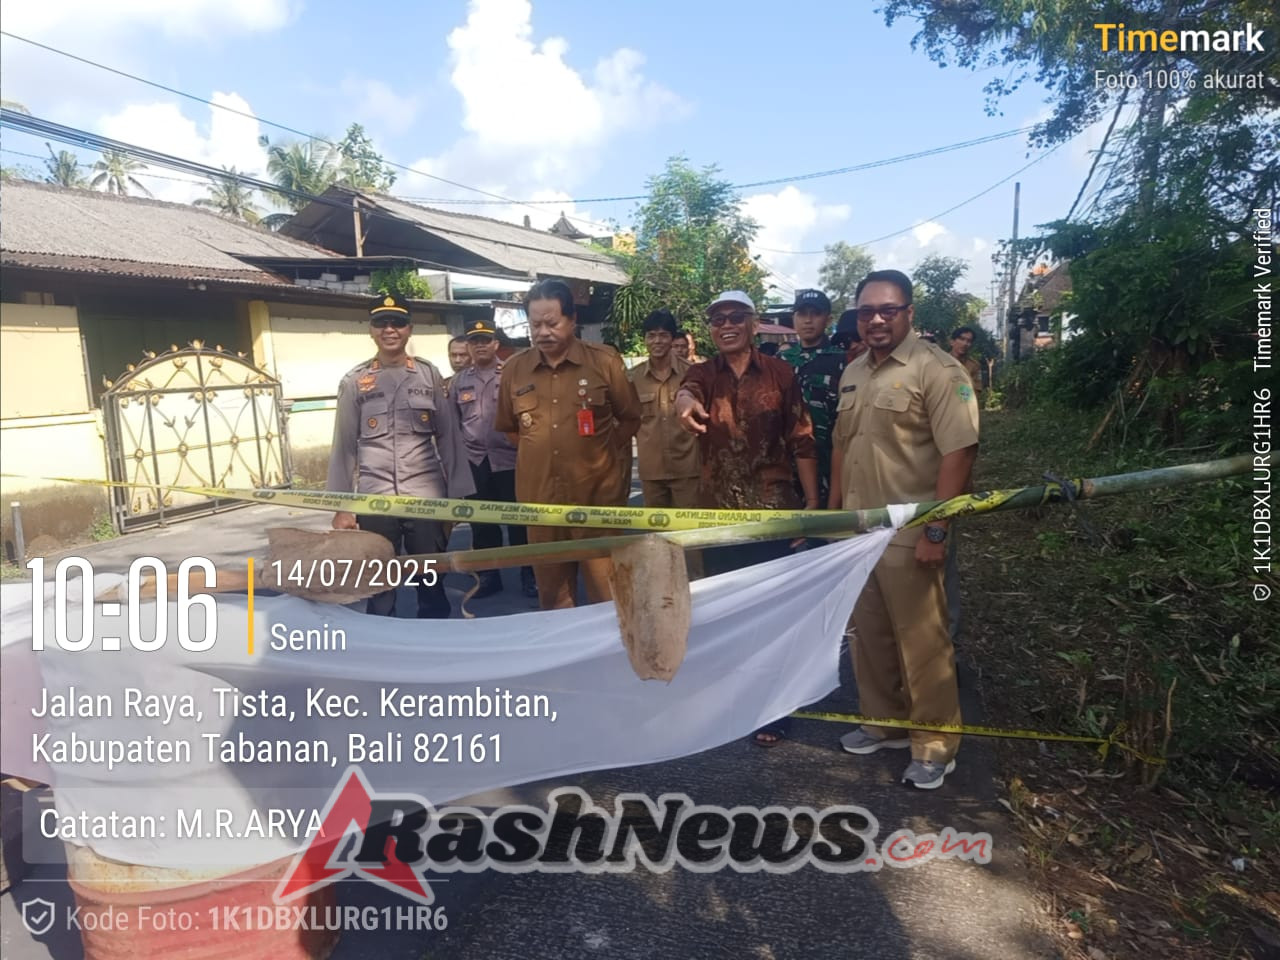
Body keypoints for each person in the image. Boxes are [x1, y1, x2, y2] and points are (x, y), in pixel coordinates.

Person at [829, 270, 979, 790]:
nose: (875, 319)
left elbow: (960, 452)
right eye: (866, 311)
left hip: (910, 530)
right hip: (858, 531)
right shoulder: (853, 372)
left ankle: (935, 744)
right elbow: (841, 447)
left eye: (887, 310)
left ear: (909, 313)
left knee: (922, 640)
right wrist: (833, 517)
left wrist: (937, 529)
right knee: (867, 636)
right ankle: (884, 722)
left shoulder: (937, 370)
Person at [676, 290, 819, 746]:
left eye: (736, 317)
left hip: (773, 508)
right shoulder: (703, 374)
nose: (727, 325)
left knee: (772, 612)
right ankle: (736, 698)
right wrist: (684, 405)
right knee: (729, 608)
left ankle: (775, 707)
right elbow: (686, 393)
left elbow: (802, 436)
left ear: (754, 323)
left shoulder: (780, 373)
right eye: (718, 319)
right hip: (720, 514)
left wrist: (811, 504)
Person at [494, 279, 641, 610]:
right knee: (553, 598)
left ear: (572, 320)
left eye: (552, 323)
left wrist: (603, 452)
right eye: (535, 325)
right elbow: (510, 429)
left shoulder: (604, 362)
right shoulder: (516, 369)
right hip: (541, 506)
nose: (543, 332)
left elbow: (631, 417)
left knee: (608, 598)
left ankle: (611, 660)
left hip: (597, 504)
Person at [329, 294, 476, 619]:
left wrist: (457, 498)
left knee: (432, 580)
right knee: (379, 587)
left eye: (397, 323)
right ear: (371, 330)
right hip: (375, 500)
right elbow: (344, 447)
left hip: (425, 499)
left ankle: (435, 647)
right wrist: (342, 506)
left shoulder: (428, 376)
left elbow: (449, 438)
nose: (389, 329)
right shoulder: (357, 381)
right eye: (381, 323)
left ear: (409, 329)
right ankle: (386, 656)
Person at [450, 318, 537, 600]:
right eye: (475, 341)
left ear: (496, 344)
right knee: (481, 523)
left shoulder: (512, 375)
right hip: (475, 461)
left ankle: (528, 573)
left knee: (518, 522)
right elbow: (453, 423)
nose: (480, 346)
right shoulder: (459, 381)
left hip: (510, 460)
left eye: (485, 340)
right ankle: (488, 577)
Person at [778, 289, 847, 506]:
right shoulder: (780, 361)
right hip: (788, 465)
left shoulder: (843, 361)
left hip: (832, 461)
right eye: (802, 314)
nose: (808, 320)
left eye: (815, 314)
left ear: (828, 318)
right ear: (793, 319)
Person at [629, 310, 700, 509]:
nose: (657, 341)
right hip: (651, 472)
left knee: (690, 535)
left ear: (672, 339)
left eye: (663, 335)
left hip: (687, 471)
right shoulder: (632, 379)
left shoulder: (693, 374)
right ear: (644, 339)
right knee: (657, 535)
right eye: (651, 335)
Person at [949, 326, 983, 406]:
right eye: (961, 339)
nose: (965, 344)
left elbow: (977, 390)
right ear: (952, 342)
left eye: (969, 341)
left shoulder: (974, 366)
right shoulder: (940, 362)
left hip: (965, 406)